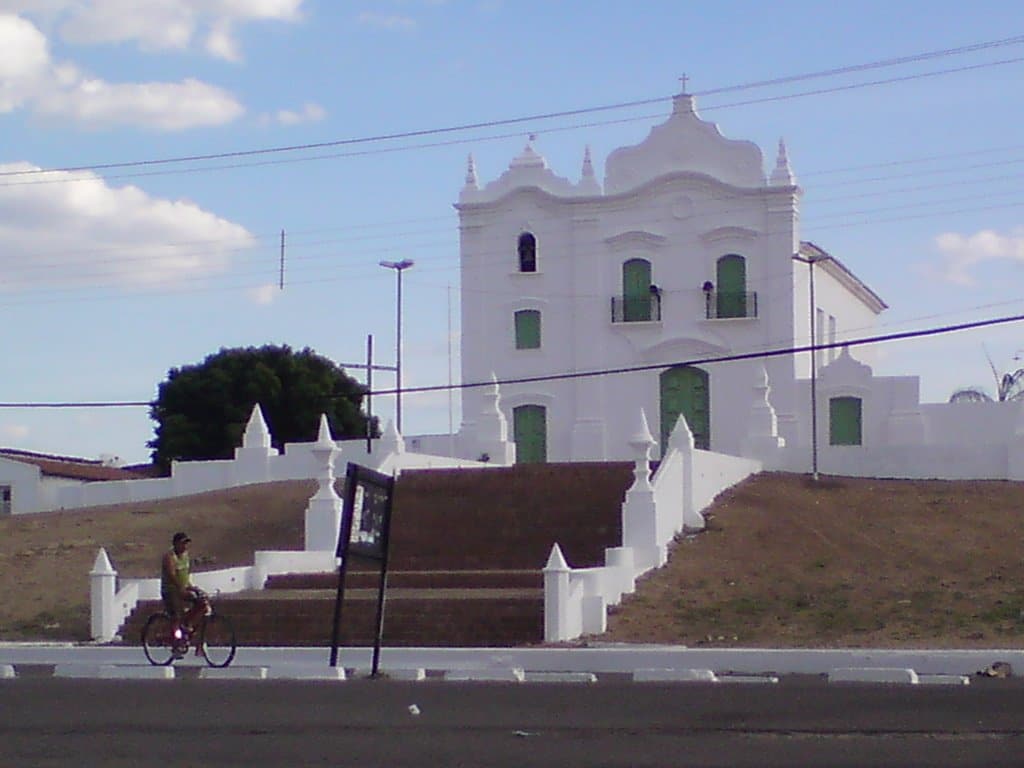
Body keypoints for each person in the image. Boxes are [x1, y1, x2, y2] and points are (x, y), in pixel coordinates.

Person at [160, 532, 204, 657]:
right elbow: (172, 575)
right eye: (182, 543)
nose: (185, 546)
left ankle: (195, 638)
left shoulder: (185, 556)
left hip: (183, 588)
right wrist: (181, 588)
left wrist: (192, 588)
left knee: (201, 605)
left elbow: (185, 575)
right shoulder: (169, 557)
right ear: (175, 544)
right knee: (176, 616)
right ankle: (175, 646)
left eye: (186, 543)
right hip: (170, 590)